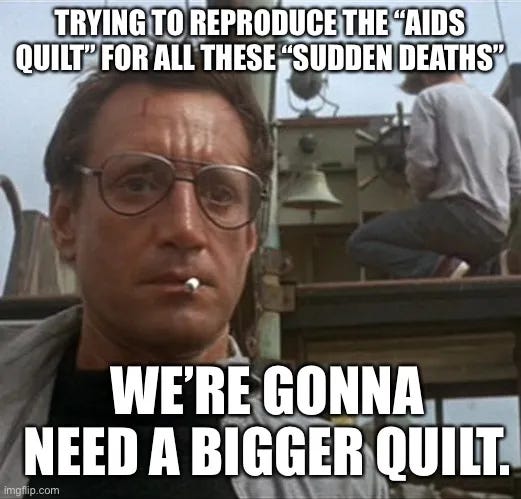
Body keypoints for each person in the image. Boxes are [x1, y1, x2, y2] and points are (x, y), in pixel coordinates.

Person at [0, 52, 387, 498]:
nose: (185, 229)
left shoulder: (338, 479)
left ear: (249, 237)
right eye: (138, 184)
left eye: (220, 193)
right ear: (66, 220)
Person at [348, 71, 521, 279]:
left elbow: (422, 164)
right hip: (496, 230)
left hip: (455, 218)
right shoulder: (500, 112)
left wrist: (423, 199)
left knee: (361, 242)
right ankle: (482, 269)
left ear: (426, 76)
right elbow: (516, 184)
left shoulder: (430, 97)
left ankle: (441, 268)